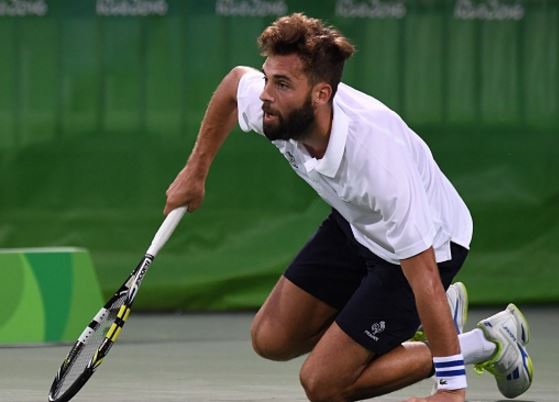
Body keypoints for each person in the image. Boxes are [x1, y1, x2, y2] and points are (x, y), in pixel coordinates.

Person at [164, 13, 533, 402]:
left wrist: (451, 390)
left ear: (321, 94)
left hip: (429, 248)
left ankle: (485, 342)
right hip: (358, 224)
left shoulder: (378, 162)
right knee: (270, 338)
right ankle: (430, 324)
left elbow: (423, 275)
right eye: (268, 78)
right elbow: (234, 83)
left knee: (322, 384)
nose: (265, 94)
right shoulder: (275, 107)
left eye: (282, 84)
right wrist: (195, 171)